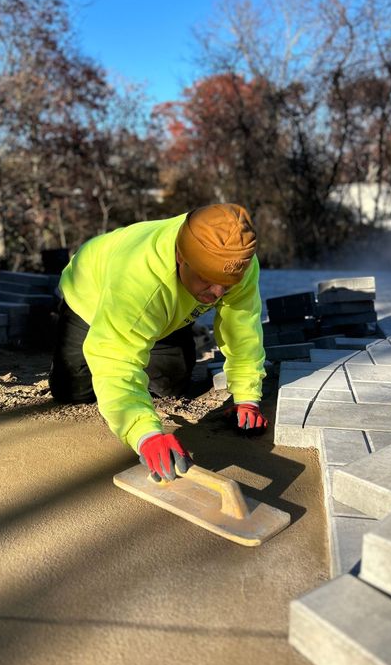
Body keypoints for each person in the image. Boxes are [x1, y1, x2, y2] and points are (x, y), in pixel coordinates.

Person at [49, 203, 268, 482]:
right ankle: (67, 335)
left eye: (226, 284)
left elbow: (243, 331)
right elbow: (116, 358)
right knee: (73, 390)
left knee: (169, 386)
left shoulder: (239, 264)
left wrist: (248, 397)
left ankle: (148, 332)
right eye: (207, 280)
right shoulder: (139, 277)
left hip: (165, 312)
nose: (217, 292)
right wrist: (145, 433)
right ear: (180, 256)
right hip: (90, 292)